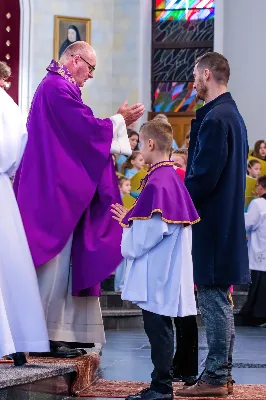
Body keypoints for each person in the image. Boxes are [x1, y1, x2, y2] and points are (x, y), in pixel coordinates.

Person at [14, 41, 144, 357]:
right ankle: (43, 335)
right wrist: (117, 121)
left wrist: (113, 125)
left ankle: (63, 332)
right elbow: (84, 130)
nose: (91, 76)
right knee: (54, 265)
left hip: (55, 186)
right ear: (75, 60)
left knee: (64, 265)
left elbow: (80, 134)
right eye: (91, 68)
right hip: (51, 191)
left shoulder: (60, 87)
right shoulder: (57, 88)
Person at [176, 52, 250, 398]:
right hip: (223, 220)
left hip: (213, 221)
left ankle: (216, 377)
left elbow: (203, 177)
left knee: (213, 300)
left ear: (207, 74)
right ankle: (222, 373)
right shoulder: (229, 114)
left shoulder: (217, 118)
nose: (193, 82)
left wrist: (174, 199)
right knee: (218, 299)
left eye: (194, 75)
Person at [111, 119, 199, 400]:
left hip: (158, 271)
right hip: (166, 267)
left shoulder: (159, 181)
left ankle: (161, 387)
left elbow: (148, 234)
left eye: (140, 145)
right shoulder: (169, 177)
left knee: (157, 328)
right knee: (160, 327)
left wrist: (127, 224)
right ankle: (160, 382)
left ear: (150, 144)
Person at [0, 80, 49, 366]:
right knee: (8, 265)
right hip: (3, 187)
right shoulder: (8, 103)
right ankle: (15, 341)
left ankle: (13, 340)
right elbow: (18, 144)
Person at [240, 175, 266, 326]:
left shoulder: (258, 204)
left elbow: (248, 223)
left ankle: (257, 315)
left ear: (261, 188)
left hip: (261, 249)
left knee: (259, 282)